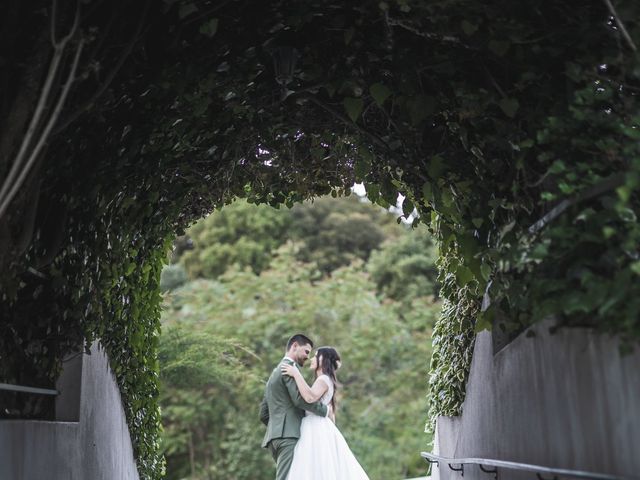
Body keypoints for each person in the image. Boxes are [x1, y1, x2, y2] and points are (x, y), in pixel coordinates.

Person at [280, 346, 370, 480]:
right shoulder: (325, 380)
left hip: (315, 426)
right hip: (318, 425)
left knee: (313, 465)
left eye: (316, 355)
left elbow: (310, 397)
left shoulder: (323, 380)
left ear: (325, 360)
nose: (312, 358)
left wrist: (296, 374)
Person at [260, 334, 329, 480]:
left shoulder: (273, 374)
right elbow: (300, 400)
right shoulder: (289, 368)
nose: (307, 356)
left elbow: (263, 413)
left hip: (274, 439)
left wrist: (277, 427)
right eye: (306, 351)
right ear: (295, 346)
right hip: (288, 437)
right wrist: (325, 410)